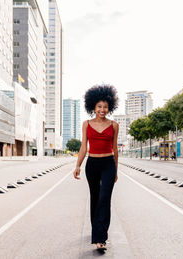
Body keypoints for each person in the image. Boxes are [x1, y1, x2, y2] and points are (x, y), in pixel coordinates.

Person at [73, 84, 119, 253]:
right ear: (93, 107)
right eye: (99, 106)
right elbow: (84, 147)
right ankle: (96, 230)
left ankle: (101, 238)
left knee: (104, 198)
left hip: (108, 164)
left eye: (105, 107)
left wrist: (116, 169)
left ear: (109, 107)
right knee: (95, 197)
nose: (102, 109)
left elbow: (115, 149)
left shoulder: (114, 125)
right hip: (92, 164)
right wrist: (77, 165)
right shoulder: (86, 124)